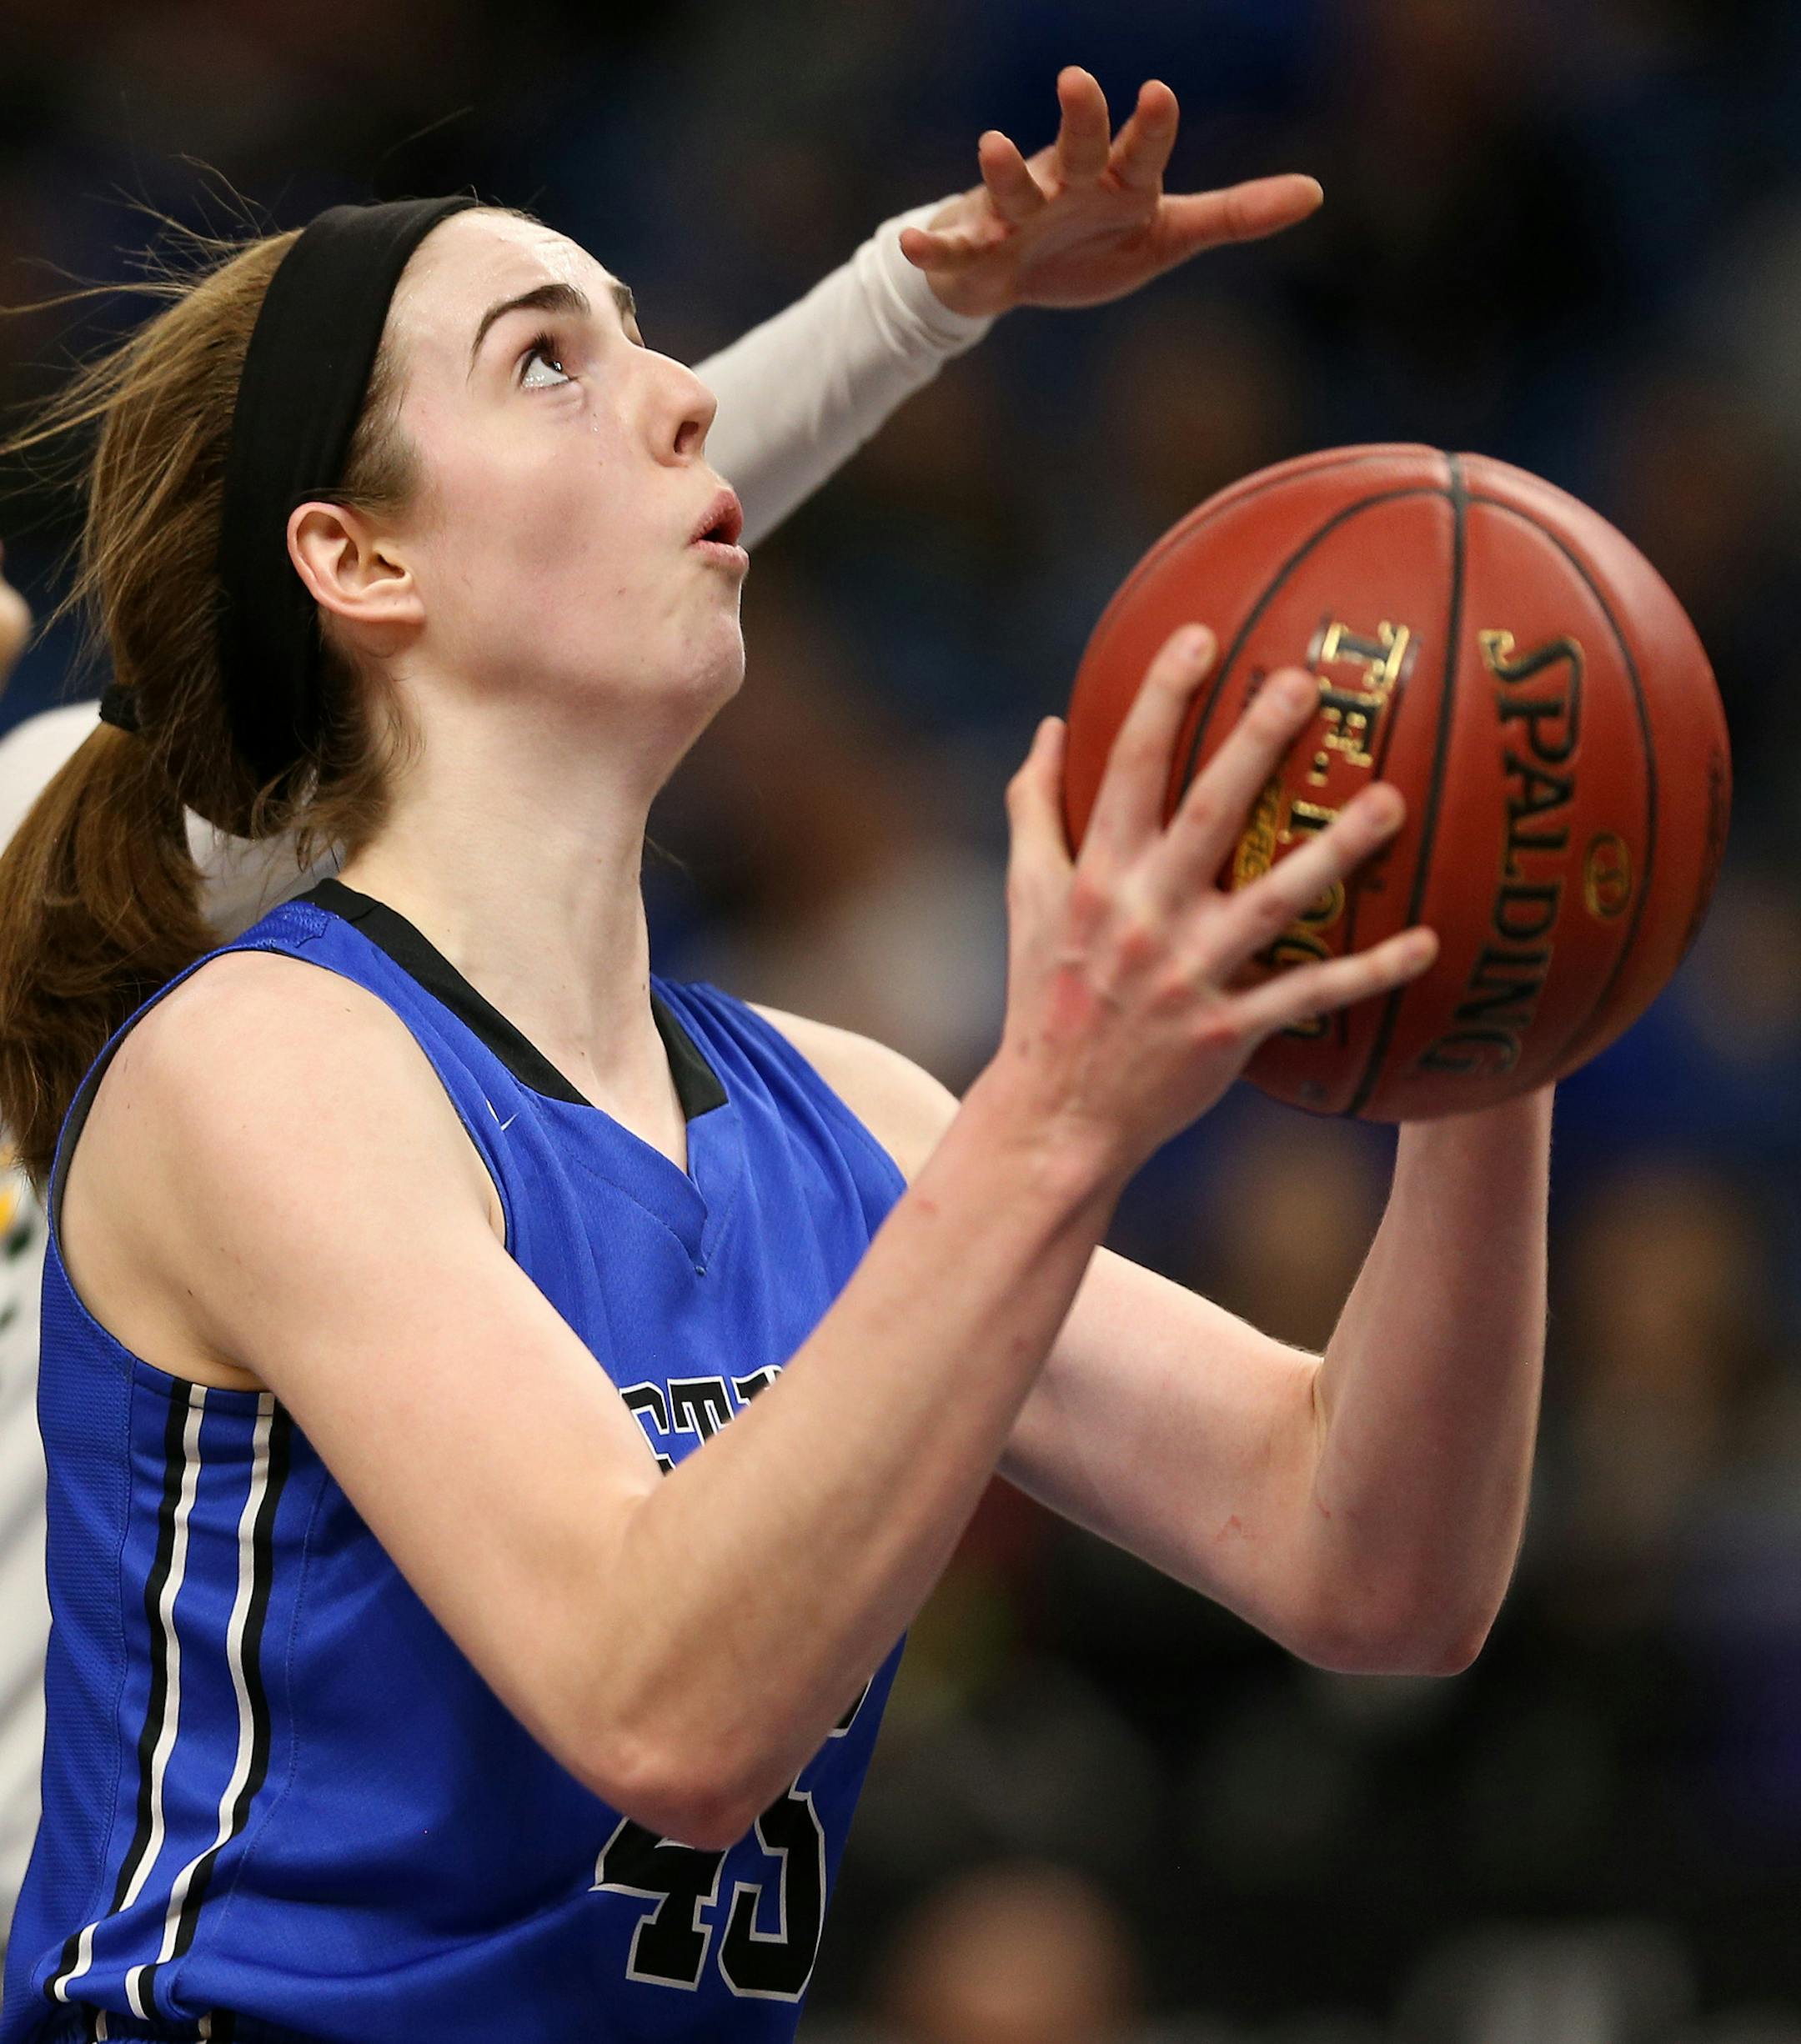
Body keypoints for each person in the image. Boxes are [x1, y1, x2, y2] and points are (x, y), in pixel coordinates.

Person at [0, 71, 1552, 2044]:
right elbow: (664, 1699)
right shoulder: (257, 1070)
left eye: (651, 336)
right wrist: (1063, 1109)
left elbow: (1378, 1561)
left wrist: (1500, 1013)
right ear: (359, 560)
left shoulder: (845, 1113)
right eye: (550, 361)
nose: (679, 399)